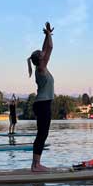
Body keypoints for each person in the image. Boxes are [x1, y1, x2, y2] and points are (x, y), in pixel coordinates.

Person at [27, 21, 54, 172]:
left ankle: (35, 164)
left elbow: (46, 48)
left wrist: (46, 34)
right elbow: (49, 48)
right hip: (43, 104)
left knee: (42, 134)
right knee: (42, 134)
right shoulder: (42, 68)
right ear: (41, 58)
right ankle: (36, 165)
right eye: (41, 53)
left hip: (42, 104)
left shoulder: (41, 66)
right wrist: (49, 34)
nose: (44, 53)